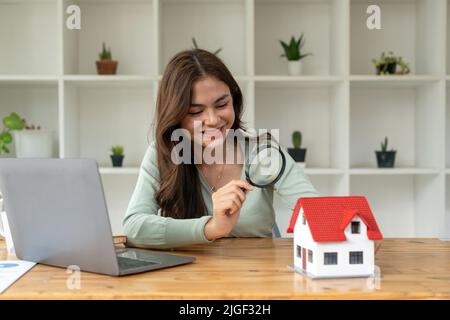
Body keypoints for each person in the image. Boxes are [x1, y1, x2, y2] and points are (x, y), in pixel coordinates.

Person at [123, 49, 381, 253]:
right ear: (176, 116)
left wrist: (353, 232)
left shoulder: (264, 153)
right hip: (188, 283)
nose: (213, 120)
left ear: (234, 100)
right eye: (196, 112)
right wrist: (211, 228)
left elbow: (312, 207)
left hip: (260, 279)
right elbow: (135, 227)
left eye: (222, 104)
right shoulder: (163, 153)